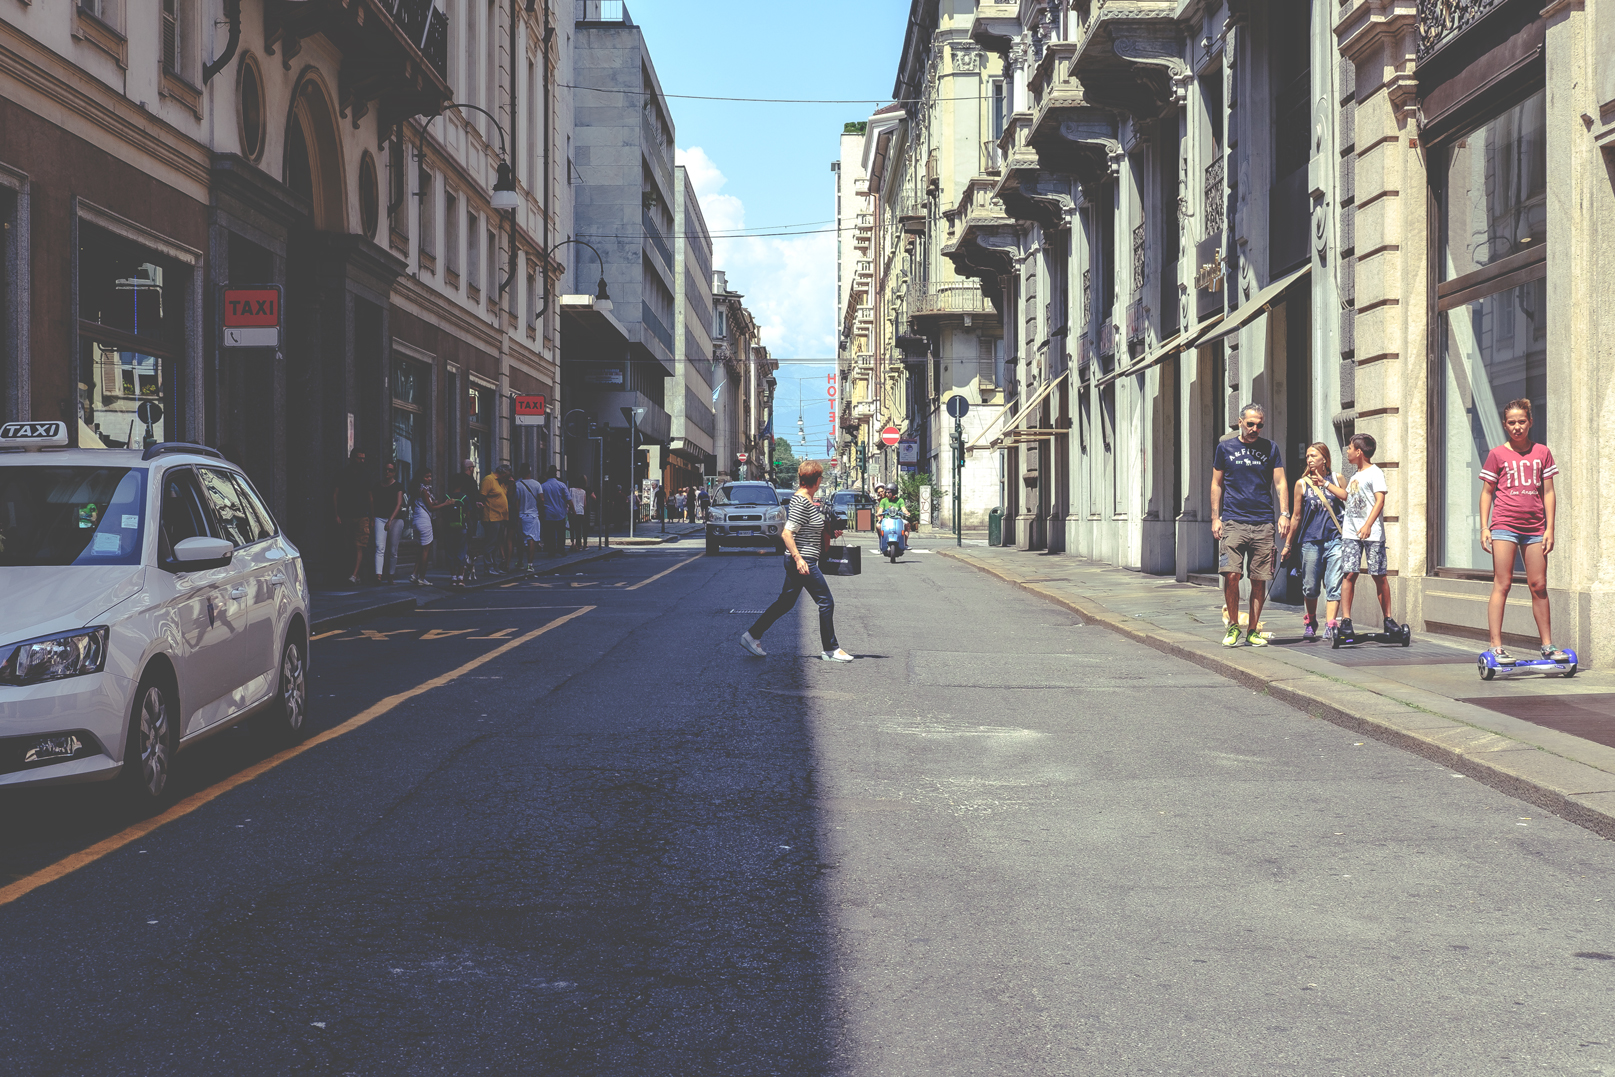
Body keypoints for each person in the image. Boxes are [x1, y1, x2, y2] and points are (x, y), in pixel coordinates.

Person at [739, 459, 854, 662]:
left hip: (802, 559)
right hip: (803, 560)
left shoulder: (807, 500)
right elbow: (787, 533)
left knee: (785, 603)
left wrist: (830, 533)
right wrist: (799, 559)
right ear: (817, 480)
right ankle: (831, 649)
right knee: (826, 601)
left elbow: (807, 530)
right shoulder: (801, 502)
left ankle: (752, 635)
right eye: (821, 477)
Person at [1480, 399, 1565, 665]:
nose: (1517, 427)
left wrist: (1550, 528)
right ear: (1505, 425)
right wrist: (1485, 527)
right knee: (1502, 583)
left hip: (1535, 528)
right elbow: (1487, 492)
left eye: (1521, 421)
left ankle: (1547, 646)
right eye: (1511, 422)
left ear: (1530, 422)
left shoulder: (1542, 452)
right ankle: (1496, 646)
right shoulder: (1497, 454)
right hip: (1504, 525)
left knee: (1539, 585)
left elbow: (1548, 492)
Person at [1210, 403, 1290, 647]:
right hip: (1233, 520)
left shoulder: (1270, 448)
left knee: (1259, 578)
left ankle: (1253, 630)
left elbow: (1280, 482)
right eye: (1251, 424)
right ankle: (1233, 625)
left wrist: (1284, 513)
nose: (1255, 429)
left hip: (1263, 522)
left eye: (1259, 425)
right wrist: (1215, 517)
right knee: (1232, 574)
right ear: (1240, 422)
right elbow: (1216, 484)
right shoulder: (1225, 448)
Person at [1281, 443, 1346, 641]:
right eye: (1308, 456)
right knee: (1310, 587)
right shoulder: (1301, 484)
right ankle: (1310, 621)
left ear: (1324, 459)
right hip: (1310, 541)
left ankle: (1331, 624)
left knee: (1333, 584)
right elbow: (1296, 516)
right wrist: (1288, 545)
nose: (1309, 459)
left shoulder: (1337, 479)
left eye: (1313, 456)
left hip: (1335, 539)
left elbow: (1348, 501)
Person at [1338, 432, 1397, 640]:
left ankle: (1388, 619)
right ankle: (1346, 620)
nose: (1347, 451)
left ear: (1359, 452)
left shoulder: (1375, 473)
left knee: (1379, 575)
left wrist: (1368, 525)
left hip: (1372, 533)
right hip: (1350, 533)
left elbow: (1380, 501)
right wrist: (1325, 485)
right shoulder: (1355, 475)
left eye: (1349, 448)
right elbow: (1347, 497)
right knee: (1349, 574)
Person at [333, 448, 373, 585]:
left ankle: (354, 575)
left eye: (363, 458)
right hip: (346, 515)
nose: (362, 461)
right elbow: (335, 495)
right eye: (359, 458)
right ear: (352, 458)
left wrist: (372, 517)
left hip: (362, 515)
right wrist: (336, 514)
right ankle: (354, 573)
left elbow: (370, 497)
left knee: (359, 545)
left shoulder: (366, 475)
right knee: (347, 546)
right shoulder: (342, 474)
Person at [408, 468, 453, 586]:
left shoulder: (417, 489)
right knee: (426, 551)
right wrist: (445, 504)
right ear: (421, 478)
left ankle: (414, 574)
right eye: (426, 477)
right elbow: (431, 508)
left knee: (421, 549)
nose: (429, 479)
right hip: (424, 521)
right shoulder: (423, 490)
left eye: (430, 476)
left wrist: (433, 502)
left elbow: (424, 504)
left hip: (417, 520)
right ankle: (422, 578)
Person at [445, 459, 479, 586]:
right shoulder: (465, 497)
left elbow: (443, 512)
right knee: (462, 550)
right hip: (462, 526)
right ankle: (461, 577)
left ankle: (453, 577)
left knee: (451, 551)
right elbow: (469, 512)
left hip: (449, 528)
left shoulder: (447, 497)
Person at [372, 461, 406, 584]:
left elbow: (399, 504)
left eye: (390, 470)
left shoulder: (398, 486)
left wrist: (390, 520)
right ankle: (378, 576)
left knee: (393, 549)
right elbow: (372, 502)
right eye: (386, 469)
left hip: (396, 519)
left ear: (394, 472)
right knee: (379, 547)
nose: (387, 472)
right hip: (380, 518)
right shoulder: (377, 486)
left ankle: (391, 575)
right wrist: (373, 517)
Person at [480, 464, 511, 574]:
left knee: (497, 544)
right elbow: (482, 496)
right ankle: (488, 567)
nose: (507, 478)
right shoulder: (489, 480)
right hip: (491, 517)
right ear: (503, 473)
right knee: (490, 543)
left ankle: (495, 566)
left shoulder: (501, 482)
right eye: (507, 475)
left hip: (501, 517)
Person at [513, 463, 543, 573]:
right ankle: (530, 564)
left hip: (521, 515)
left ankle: (520, 561)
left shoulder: (517, 485)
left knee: (520, 540)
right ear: (530, 472)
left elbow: (516, 503)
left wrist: (517, 516)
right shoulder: (537, 484)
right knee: (532, 539)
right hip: (533, 515)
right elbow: (542, 499)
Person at [540, 466, 571, 557]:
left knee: (550, 533)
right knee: (561, 532)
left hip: (548, 513)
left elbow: (541, 499)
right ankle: (561, 549)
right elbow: (568, 498)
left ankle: (551, 550)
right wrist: (573, 509)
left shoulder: (543, 486)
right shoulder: (561, 485)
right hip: (560, 513)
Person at [876, 485, 908, 555]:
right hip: (886, 519)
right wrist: (879, 513)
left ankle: (905, 543)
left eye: (889, 492)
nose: (887, 494)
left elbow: (903, 508)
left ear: (893, 493)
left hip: (898, 519)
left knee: (907, 524)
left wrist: (906, 512)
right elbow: (881, 509)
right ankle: (882, 542)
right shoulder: (884, 501)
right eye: (886, 492)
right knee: (878, 526)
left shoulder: (900, 500)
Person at [569, 475, 591, 550]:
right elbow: (585, 503)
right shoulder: (583, 492)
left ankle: (573, 543)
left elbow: (569, 500)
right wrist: (584, 512)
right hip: (580, 511)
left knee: (572, 528)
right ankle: (578, 545)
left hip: (572, 511)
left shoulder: (571, 490)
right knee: (578, 529)